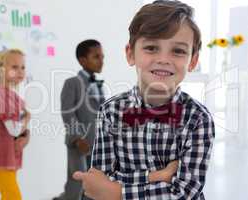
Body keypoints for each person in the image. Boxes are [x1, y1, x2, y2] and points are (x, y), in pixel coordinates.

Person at [73, 1, 215, 199]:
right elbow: (100, 182)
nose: (164, 59)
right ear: (130, 54)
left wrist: (116, 192)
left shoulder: (198, 119)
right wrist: (158, 177)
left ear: (192, 61)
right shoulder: (111, 110)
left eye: (178, 51)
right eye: (151, 48)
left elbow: (184, 192)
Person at [53, 39, 105, 200]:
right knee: (77, 181)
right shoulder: (72, 83)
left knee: (94, 184)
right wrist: (77, 138)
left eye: (102, 56)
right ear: (83, 60)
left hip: (97, 143)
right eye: (96, 57)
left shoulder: (99, 85)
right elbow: (68, 113)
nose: (101, 61)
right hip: (80, 143)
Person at [0, 49, 31, 200]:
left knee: (8, 195)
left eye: (22, 67)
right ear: (0, 71)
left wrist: (26, 134)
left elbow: (18, 128)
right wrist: (28, 117)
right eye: (14, 67)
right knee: (13, 196)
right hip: (0, 156)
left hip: (9, 154)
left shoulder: (10, 95)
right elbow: (15, 129)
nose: (20, 71)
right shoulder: (0, 95)